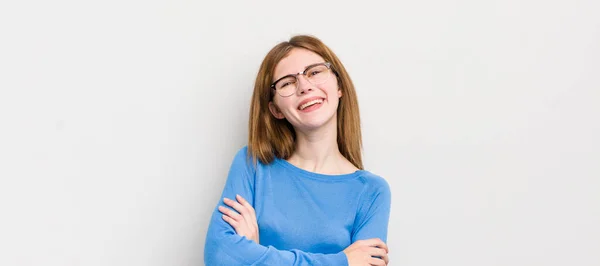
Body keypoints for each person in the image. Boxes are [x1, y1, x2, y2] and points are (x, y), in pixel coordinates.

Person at [203, 35, 392, 266]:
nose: (304, 86)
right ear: (275, 110)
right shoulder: (253, 164)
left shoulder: (372, 192)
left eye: (315, 72)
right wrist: (341, 261)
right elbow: (221, 257)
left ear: (339, 86)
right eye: (287, 83)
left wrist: (256, 252)